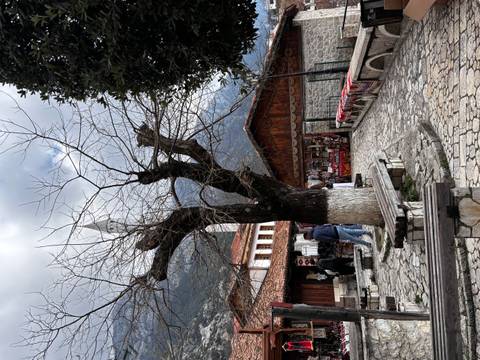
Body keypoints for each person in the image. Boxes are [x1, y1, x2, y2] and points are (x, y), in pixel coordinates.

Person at [304, 224, 372, 247]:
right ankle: (366, 232)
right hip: (335, 227)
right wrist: (333, 225)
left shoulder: (316, 236)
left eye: (308, 239)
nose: (309, 239)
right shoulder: (315, 228)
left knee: (352, 239)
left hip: (337, 234)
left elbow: (327, 239)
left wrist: (336, 241)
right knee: (352, 231)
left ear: (308, 236)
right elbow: (326, 225)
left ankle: (367, 244)